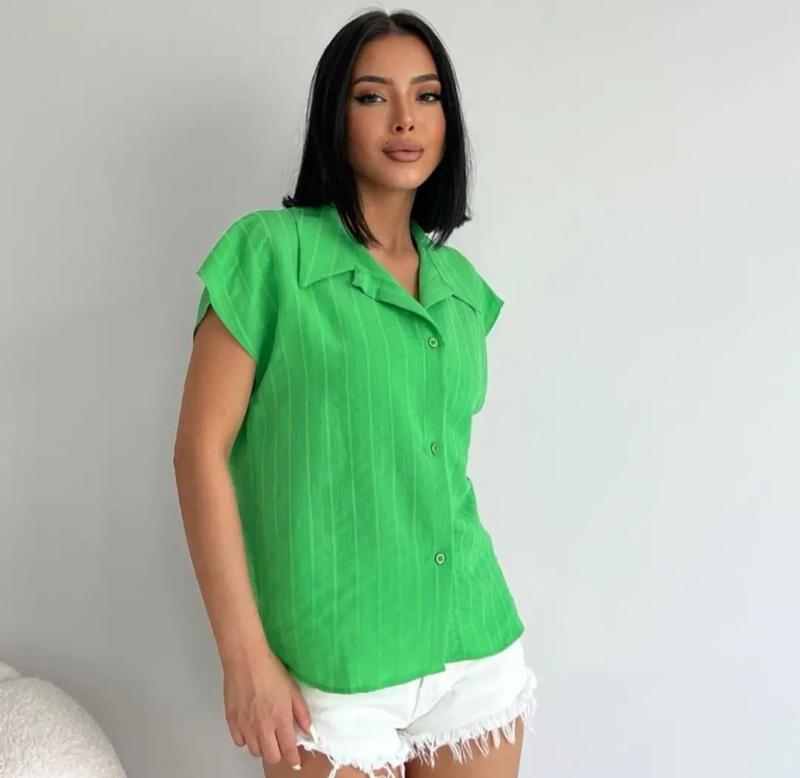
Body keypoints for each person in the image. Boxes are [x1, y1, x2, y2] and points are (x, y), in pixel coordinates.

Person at [173, 10, 537, 778]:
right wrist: (243, 658)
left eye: (427, 96)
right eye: (373, 96)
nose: (405, 118)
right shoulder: (269, 255)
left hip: (471, 642)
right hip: (329, 663)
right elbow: (198, 452)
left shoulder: (462, 289)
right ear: (334, 118)